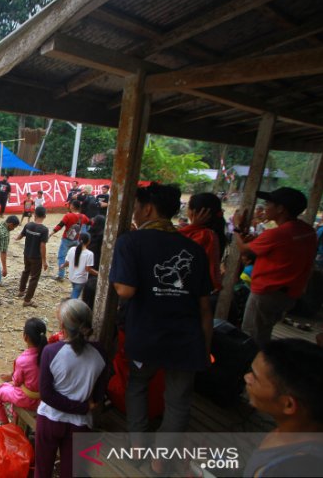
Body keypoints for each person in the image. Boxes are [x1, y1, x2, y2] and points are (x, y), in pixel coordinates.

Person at [109, 183, 212, 475]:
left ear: (148, 208)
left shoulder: (131, 242)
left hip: (147, 334)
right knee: (179, 402)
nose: (135, 212)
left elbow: (125, 290)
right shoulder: (193, 249)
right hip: (187, 337)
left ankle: (138, 446)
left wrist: (117, 277)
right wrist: (204, 348)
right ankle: (161, 460)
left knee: (138, 386)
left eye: (137, 206)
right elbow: (206, 307)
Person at [232, 187, 317, 347]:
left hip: (267, 294)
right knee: (264, 330)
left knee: (252, 335)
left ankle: (253, 367)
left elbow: (244, 248)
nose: (265, 207)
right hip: (288, 294)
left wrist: (236, 227)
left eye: (269, 203)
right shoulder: (307, 231)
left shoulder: (278, 234)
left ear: (281, 209)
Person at [36, 299, 108, 478]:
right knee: (72, 472)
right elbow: (98, 395)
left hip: (50, 419)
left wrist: (81, 407)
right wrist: (83, 407)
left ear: (62, 325)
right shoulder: (100, 353)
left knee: (42, 470)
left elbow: (46, 394)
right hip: (80, 424)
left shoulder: (51, 351)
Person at [243, 339, 323, 478]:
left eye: (255, 378)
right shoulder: (293, 429)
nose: (247, 377)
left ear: (288, 404)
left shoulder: (293, 469)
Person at [0, 317, 46, 424]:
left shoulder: (23, 360)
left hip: (28, 399)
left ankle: (4, 425)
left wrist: (11, 377)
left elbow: (17, 382)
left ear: (25, 337)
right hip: (45, 398)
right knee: (9, 387)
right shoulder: (50, 353)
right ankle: (15, 418)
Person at [179, 193, 227, 293]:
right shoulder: (212, 232)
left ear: (195, 213)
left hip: (191, 287)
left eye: (188, 208)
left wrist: (193, 226)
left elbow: (180, 251)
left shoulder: (204, 235)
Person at [16, 206, 49, 308]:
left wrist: (15, 238)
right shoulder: (44, 230)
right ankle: (27, 300)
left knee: (26, 271)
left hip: (27, 254)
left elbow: (20, 236)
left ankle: (21, 291)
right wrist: (44, 261)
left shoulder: (28, 225)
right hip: (36, 257)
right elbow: (42, 246)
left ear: (35, 214)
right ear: (44, 216)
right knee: (34, 278)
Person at [50, 200, 90, 282]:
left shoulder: (68, 216)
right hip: (77, 239)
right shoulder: (83, 216)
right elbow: (91, 223)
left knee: (62, 257)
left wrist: (51, 233)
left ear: (72, 206)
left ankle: (61, 275)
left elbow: (60, 225)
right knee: (77, 257)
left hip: (66, 239)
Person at [61, 232, 98, 299]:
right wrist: (98, 274)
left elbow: (67, 262)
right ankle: (70, 307)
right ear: (88, 242)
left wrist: (63, 266)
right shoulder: (89, 254)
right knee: (75, 295)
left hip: (72, 277)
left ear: (78, 239)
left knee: (75, 291)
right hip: (81, 280)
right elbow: (88, 269)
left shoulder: (72, 249)